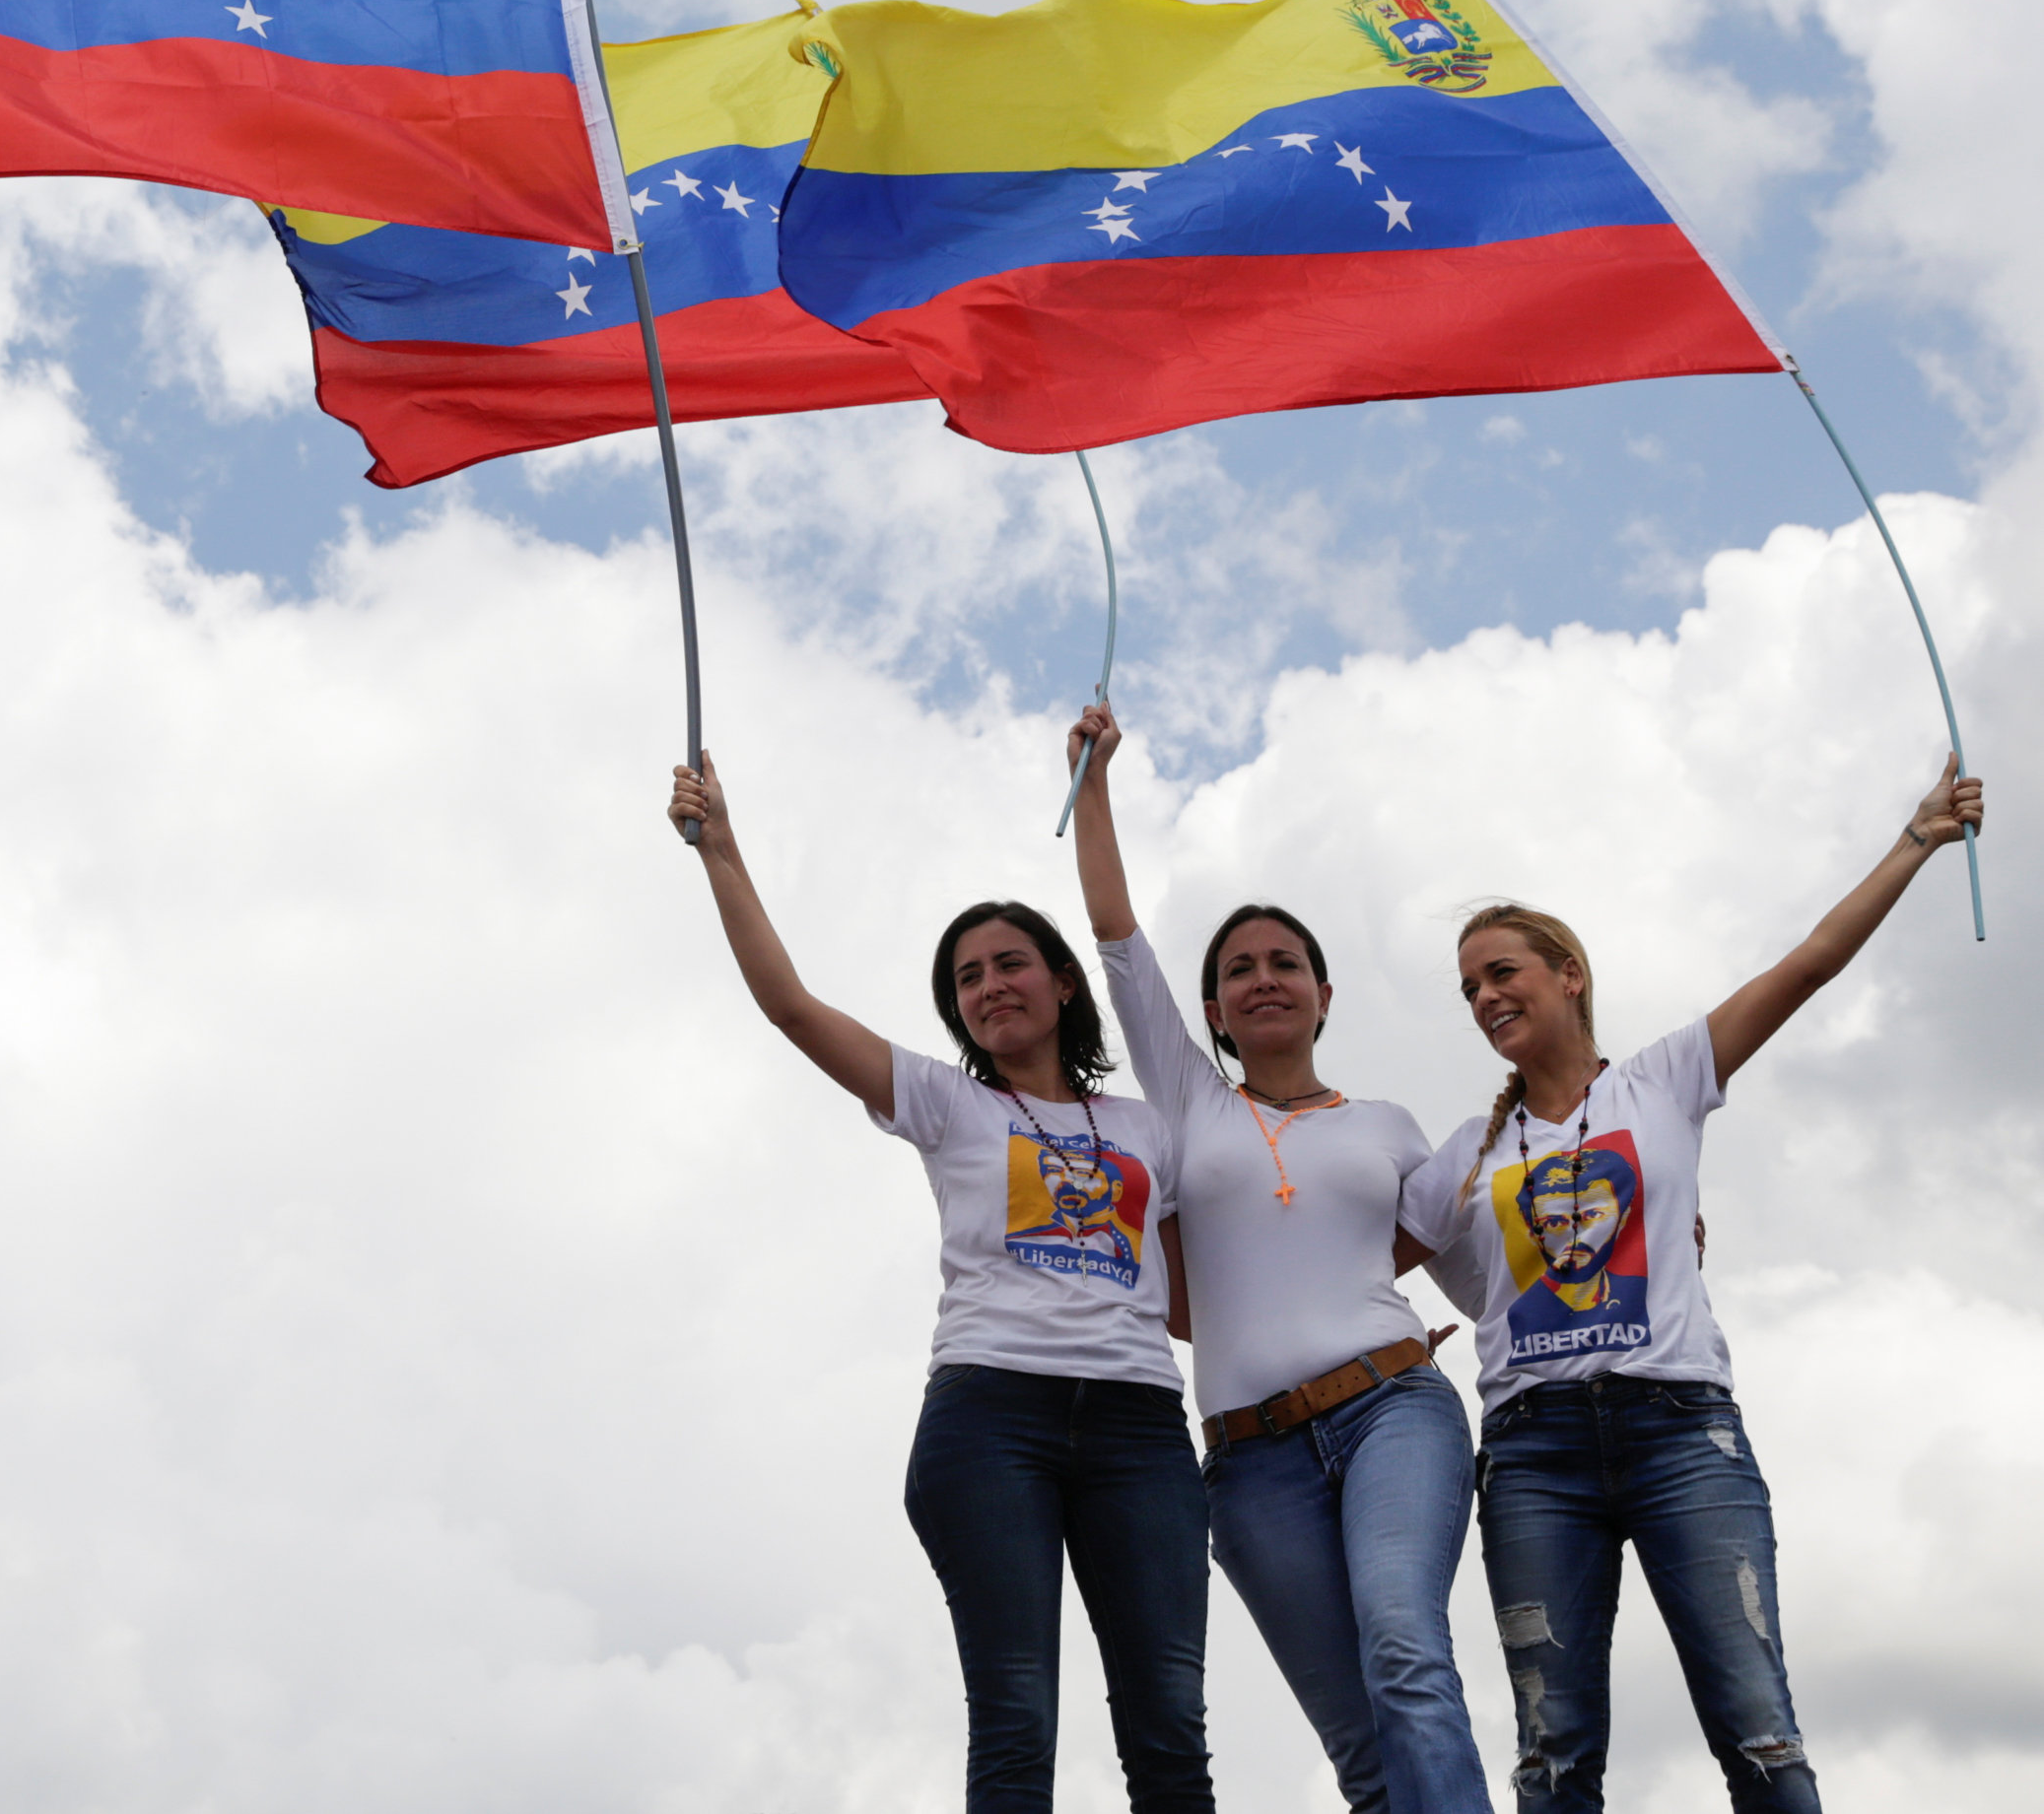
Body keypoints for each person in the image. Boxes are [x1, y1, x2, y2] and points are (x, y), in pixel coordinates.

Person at [1397, 757, 1986, 1812]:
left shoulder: (1660, 1078)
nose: (1484, 996)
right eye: (1468, 988)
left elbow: (1804, 966)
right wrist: (1388, 1351)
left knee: (1756, 1730)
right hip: (1532, 1454)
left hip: (1680, 1433)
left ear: (1567, 971)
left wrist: (1915, 839)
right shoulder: (1460, 1157)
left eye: (1500, 971)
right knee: (1553, 1752)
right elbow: (1336, 1256)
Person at [669, 752, 1210, 1814]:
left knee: (1167, 1726)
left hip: (1140, 1429)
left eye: (1008, 961)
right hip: (988, 1417)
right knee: (1015, 1720)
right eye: (966, 977)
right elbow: (788, 1005)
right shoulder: (941, 1101)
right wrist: (721, 851)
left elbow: (1193, 1303)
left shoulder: (1153, 1128)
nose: (988, 984)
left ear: (1060, 982)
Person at [1066, 705, 1490, 1812]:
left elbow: (1485, 1270)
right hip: (1248, 1460)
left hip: (1390, 1406)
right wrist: (1093, 781)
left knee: (1404, 1646)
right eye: (1239, 967)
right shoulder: (1191, 1102)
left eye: (1284, 962)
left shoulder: (1389, 1123)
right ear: (1210, 1007)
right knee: (1356, 1740)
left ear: (1320, 991)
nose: (1263, 977)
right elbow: (1115, 939)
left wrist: (1655, 1240)